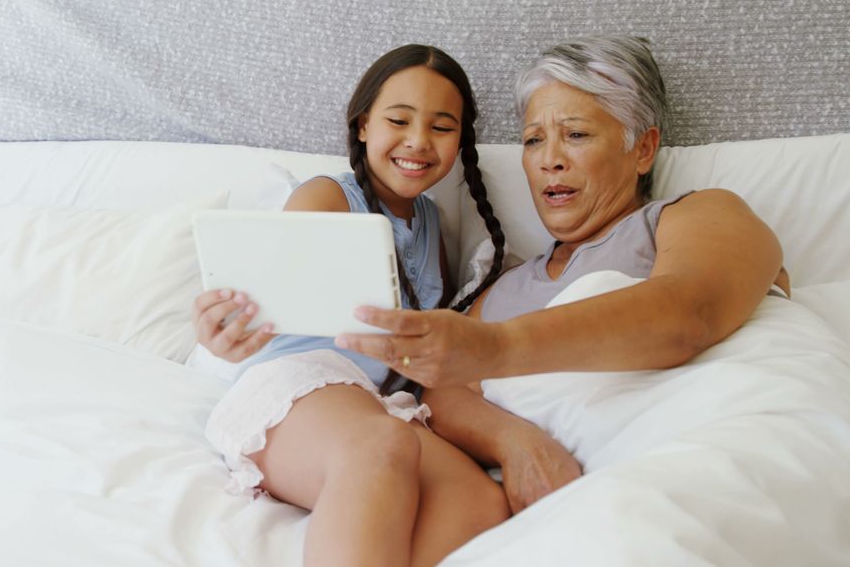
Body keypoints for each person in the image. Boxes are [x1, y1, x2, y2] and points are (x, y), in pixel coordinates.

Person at [333, 36, 790, 480]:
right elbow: (445, 389)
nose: (550, 159)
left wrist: (498, 349)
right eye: (533, 141)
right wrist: (515, 442)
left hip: (691, 457)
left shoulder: (696, 215)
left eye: (575, 134)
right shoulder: (502, 289)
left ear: (644, 149)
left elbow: (691, 311)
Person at [193, 44, 568, 567]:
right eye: (399, 120)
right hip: (298, 389)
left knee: (478, 499)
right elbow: (255, 300)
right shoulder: (327, 198)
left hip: (373, 403)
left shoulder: (433, 225)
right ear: (365, 124)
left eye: (442, 127)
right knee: (381, 443)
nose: (418, 141)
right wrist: (223, 330)